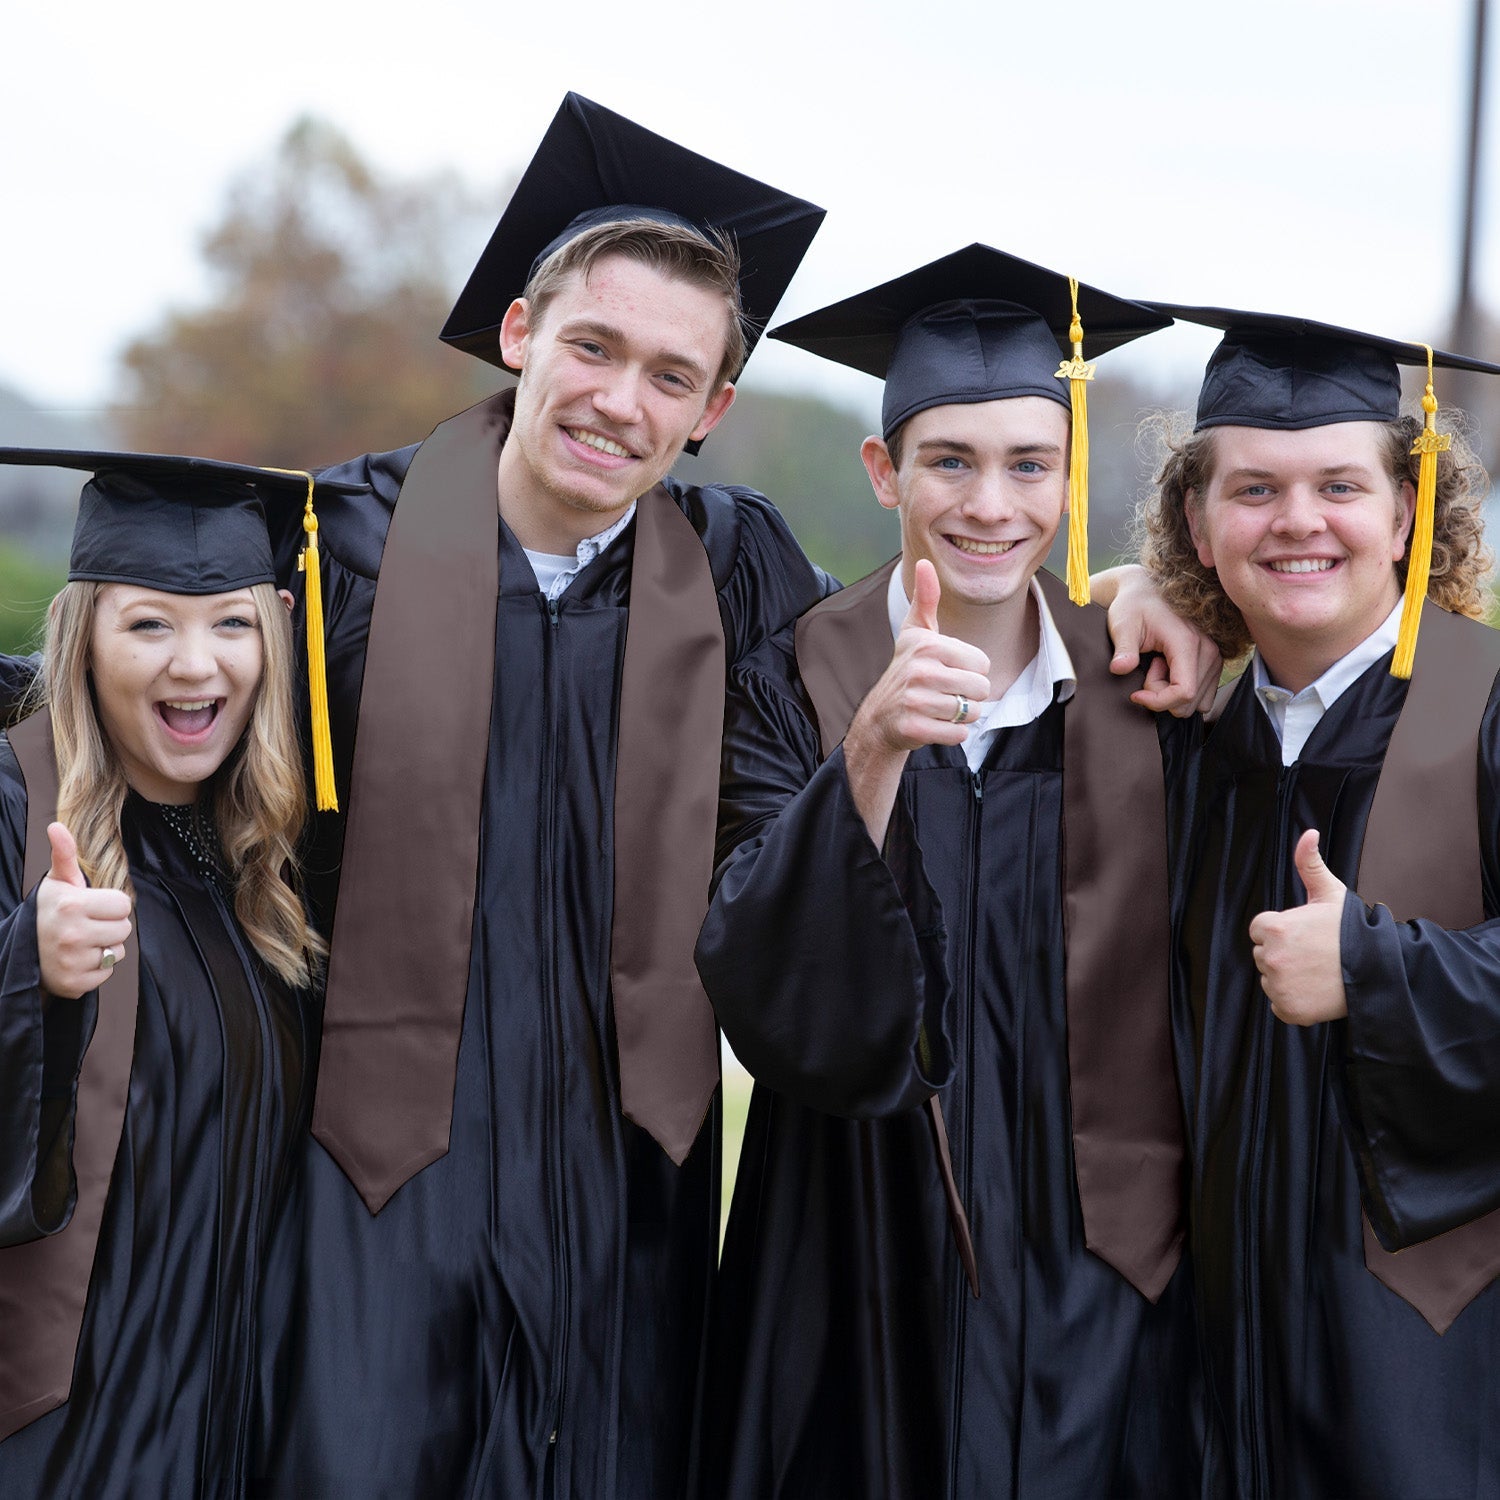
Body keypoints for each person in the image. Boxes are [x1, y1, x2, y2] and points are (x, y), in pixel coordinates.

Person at [250, 95, 830, 1499]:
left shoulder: (739, 569)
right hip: (376, 1176)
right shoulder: (342, 546)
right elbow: (149, 707)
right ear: (520, 335)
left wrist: (1155, 621)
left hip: (630, 1183)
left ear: (711, 414)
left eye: (670, 377)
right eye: (593, 346)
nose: (620, 401)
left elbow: (892, 716)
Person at [693, 246, 1201, 1499]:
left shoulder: (1152, 689)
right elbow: (759, 982)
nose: (992, 503)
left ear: (1070, 475)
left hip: (1098, 1271)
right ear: (886, 473)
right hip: (851, 1257)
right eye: (950, 461)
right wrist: (868, 748)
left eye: (1029, 464)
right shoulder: (793, 679)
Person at [1131, 307, 1500, 1499]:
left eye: (1340, 485)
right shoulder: (1176, 744)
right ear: (1196, 519)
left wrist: (1377, 967)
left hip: (1433, 1377)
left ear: (1406, 509)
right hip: (1211, 1382)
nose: (1298, 522)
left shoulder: (1485, 709)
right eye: (1255, 490)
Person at [0, 451, 340, 1498]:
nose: (196, 666)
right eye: (150, 624)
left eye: (231, 624)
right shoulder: (15, 805)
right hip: (62, 1428)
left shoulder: (267, 861)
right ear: (84, 636)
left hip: (230, 1418)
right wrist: (30, 969)